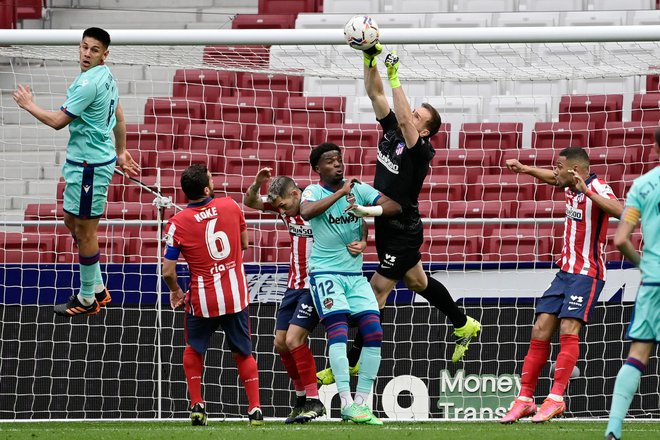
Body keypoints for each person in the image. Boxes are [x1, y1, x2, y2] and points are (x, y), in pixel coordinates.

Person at [317, 44, 481, 386]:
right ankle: (464, 323)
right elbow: (374, 92)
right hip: (386, 223)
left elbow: (405, 117)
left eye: (419, 116)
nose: (411, 115)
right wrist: (369, 60)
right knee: (417, 282)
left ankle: (351, 362)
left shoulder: (421, 150)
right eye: (415, 112)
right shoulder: (391, 131)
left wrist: (396, 75)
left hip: (402, 227)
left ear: (424, 131)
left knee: (376, 292)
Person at [12, 27, 139, 317]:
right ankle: (97, 288)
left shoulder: (88, 85)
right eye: (84, 47)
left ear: (104, 54)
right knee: (72, 220)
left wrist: (29, 104)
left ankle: (86, 299)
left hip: (89, 167)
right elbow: (118, 115)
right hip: (89, 162)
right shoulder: (106, 76)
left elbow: (58, 121)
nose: (86, 53)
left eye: (94, 50)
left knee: (85, 231)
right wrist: (120, 152)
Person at [500, 147, 624, 424]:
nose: (555, 171)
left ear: (576, 170)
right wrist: (526, 169)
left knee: (569, 326)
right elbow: (553, 179)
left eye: (559, 166)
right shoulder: (568, 184)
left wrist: (588, 193)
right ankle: (525, 399)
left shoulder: (598, 187)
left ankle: (555, 399)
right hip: (564, 271)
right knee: (541, 327)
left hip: (588, 273)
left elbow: (622, 211)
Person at [300, 142, 401, 425]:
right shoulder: (313, 191)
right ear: (317, 168)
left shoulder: (359, 188)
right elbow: (306, 212)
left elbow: (394, 206)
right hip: (326, 274)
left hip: (355, 277)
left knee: (374, 332)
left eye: (339, 159)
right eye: (330, 161)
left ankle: (360, 404)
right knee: (339, 332)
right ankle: (344, 402)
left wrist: (367, 220)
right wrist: (343, 194)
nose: (337, 164)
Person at [163, 164, 263, 426]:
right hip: (235, 295)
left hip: (202, 299)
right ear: (206, 188)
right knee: (243, 352)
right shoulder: (231, 206)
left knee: (194, 348)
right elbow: (244, 244)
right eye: (211, 177)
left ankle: (197, 405)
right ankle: (254, 410)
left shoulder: (176, 223)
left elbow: (167, 272)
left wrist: (176, 292)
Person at [244, 168, 338, 424]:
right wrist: (256, 184)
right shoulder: (284, 209)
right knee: (280, 343)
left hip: (316, 284)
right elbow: (250, 202)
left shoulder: (316, 209)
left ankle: (314, 400)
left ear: (296, 194)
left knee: (295, 339)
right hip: (293, 285)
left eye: (284, 205)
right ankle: (300, 400)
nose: (282, 211)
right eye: (279, 207)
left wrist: (361, 242)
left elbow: (353, 222)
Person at [604, 132, 659, 440]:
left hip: (654, 280)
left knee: (637, 355)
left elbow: (621, 239)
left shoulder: (642, 186)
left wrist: (643, 263)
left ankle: (613, 429)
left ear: (656, 148)